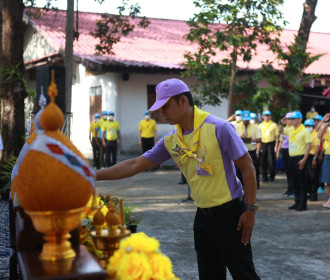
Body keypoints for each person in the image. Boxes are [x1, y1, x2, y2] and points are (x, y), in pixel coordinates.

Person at [96, 78, 260, 279]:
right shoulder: (172, 141)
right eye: (160, 109)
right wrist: (93, 175)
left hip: (231, 216)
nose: (162, 114)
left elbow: (248, 167)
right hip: (202, 218)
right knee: (209, 276)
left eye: (166, 107)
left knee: (244, 275)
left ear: (183, 101)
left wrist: (250, 209)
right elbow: (135, 164)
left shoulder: (219, 128)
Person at [280, 111, 311, 211]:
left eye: (294, 119)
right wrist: (282, 123)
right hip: (291, 158)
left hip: (300, 158)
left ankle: (303, 204)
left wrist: (304, 160)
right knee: (294, 182)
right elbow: (281, 131)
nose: (291, 121)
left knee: (301, 182)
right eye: (291, 119)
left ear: (300, 120)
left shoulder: (304, 131)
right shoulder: (291, 130)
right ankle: (297, 202)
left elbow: (308, 146)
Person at [236, 110, 262, 189]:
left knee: (252, 171)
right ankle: (241, 188)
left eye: (248, 119)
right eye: (245, 119)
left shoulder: (255, 127)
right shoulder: (236, 127)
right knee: (239, 172)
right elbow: (234, 140)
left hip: (251, 152)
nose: (246, 121)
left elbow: (259, 140)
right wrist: (243, 138)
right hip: (240, 152)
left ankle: (252, 188)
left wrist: (248, 140)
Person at [276, 112, 294, 197]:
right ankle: (289, 189)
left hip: (292, 151)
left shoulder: (294, 128)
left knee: (292, 171)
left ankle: (292, 189)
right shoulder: (285, 127)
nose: (288, 121)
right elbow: (281, 138)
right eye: (287, 119)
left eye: (290, 119)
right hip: (285, 150)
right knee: (287, 171)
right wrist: (278, 151)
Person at [258, 110, 279, 183]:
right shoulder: (260, 125)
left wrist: (276, 147)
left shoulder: (274, 125)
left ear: (270, 116)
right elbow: (259, 137)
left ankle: (272, 178)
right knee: (263, 161)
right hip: (263, 144)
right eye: (265, 115)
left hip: (271, 143)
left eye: (268, 115)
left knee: (271, 161)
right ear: (263, 117)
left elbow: (277, 137)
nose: (267, 117)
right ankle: (264, 178)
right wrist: (259, 147)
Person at [304, 119, 321, 201]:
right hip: (305, 157)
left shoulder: (316, 135)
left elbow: (317, 148)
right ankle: (308, 193)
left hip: (312, 156)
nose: (308, 128)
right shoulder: (304, 135)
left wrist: (315, 158)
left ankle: (314, 194)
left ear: (313, 127)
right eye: (306, 126)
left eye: (309, 126)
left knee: (313, 177)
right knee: (306, 176)